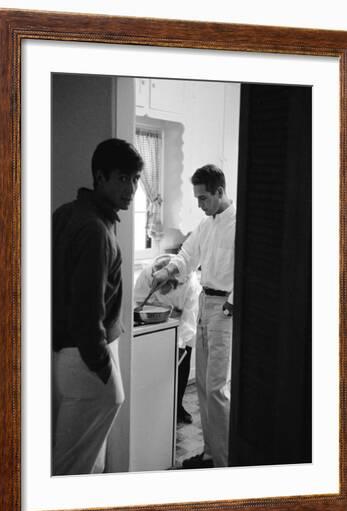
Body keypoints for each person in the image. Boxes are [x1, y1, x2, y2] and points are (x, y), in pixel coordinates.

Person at [52, 138, 144, 475]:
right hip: (86, 357)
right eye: (122, 178)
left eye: (135, 179)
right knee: (74, 465)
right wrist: (104, 368)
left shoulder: (67, 213)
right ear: (100, 177)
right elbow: (87, 309)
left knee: (80, 455)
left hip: (66, 355)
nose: (131, 188)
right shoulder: (95, 230)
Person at [152, 164, 235, 468]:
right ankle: (211, 454)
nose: (199, 204)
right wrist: (167, 271)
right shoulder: (206, 224)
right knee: (202, 387)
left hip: (226, 309)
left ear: (219, 192)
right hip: (205, 305)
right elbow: (187, 255)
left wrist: (233, 303)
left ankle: (225, 464)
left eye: (203, 198)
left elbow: (250, 267)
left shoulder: (240, 222)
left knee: (217, 389)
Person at [134, 254, 202, 424]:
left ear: (174, 283)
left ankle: (178, 406)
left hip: (184, 324)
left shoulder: (190, 284)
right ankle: (156, 407)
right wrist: (165, 310)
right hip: (156, 323)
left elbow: (189, 318)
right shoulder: (147, 274)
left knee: (182, 365)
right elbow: (139, 301)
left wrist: (180, 345)